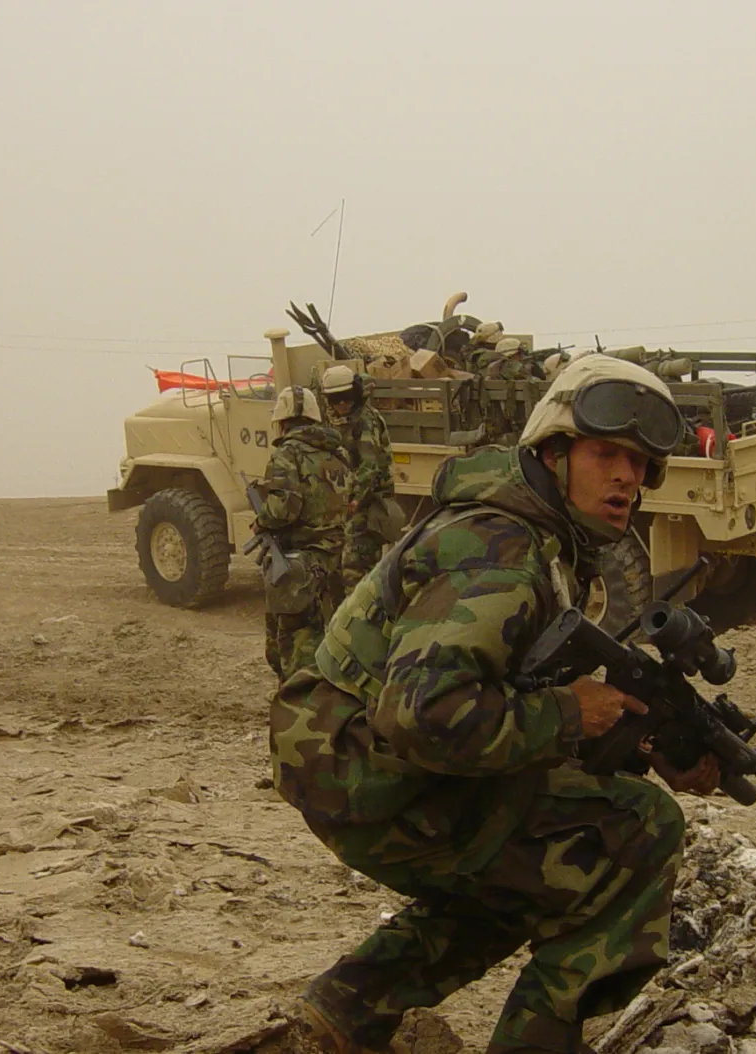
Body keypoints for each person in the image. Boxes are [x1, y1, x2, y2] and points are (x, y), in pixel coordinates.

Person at [270, 354, 718, 1054]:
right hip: (362, 770)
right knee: (630, 831)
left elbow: (510, 691)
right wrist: (572, 716)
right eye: (606, 454)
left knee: (543, 858)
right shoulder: (501, 548)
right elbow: (424, 716)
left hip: (344, 755)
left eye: (639, 463)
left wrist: (641, 746)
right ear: (553, 451)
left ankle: (349, 1008)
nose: (627, 476)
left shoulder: (541, 540)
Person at [252, 385, 350, 681]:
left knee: (293, 648)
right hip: (335, 559)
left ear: (282, 420)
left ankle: (301, 709)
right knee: (331, 639)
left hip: (299, 565)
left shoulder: (287, 454)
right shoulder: (338, 452)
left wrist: (262, 520)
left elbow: (283, 509)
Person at [319, 365, 395, 591]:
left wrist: (355, 500)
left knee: (355, 568)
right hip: (347, 501)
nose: (342, 404)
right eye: (336, 399)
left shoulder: (365, 421)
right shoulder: (336, 420)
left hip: (367, 501)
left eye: (347, 398)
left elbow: (369, 465)